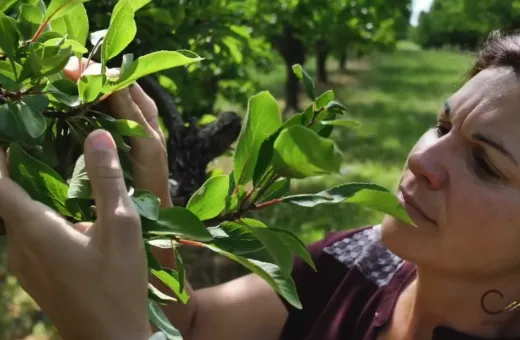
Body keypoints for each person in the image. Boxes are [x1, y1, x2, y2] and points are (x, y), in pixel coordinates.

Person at [6, 30, 520, 340]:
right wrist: (154, 214)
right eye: (442, 125)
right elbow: (195, 325)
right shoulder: (357, 262)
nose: (422, 156)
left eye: (487, 164)